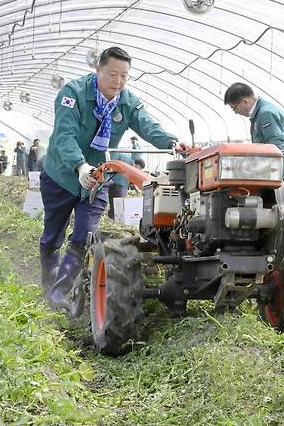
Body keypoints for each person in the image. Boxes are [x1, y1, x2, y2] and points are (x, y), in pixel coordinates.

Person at [39, 46, 179, 309]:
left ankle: (59, 293)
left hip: (98, 178)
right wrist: (80, 166)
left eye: (124, 75)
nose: (119, 81)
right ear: (98, 69)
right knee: (52, 234)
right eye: (113, 74)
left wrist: (172, 142)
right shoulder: (73, 93)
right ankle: (49, 279)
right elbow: (64, 136)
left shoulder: (127, 101)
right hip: (62, 175)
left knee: (84, 235)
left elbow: (148, 125)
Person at [223, 82, 284, 194]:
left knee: (274, 207)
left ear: (244, 101)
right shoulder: (260, 113)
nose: (236, 113)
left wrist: (272, 174)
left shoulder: (266, 113)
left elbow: (276, 146)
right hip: (275, 172)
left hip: (281, 173)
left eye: (234, 108)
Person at [106, 153, 134, 220]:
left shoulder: (115, 154)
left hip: (114, 181)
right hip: (124, 183)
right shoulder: (129, 158)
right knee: (121, 203)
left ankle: (113, 217)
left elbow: (112, 166)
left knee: (113, 202)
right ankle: (120, 219)